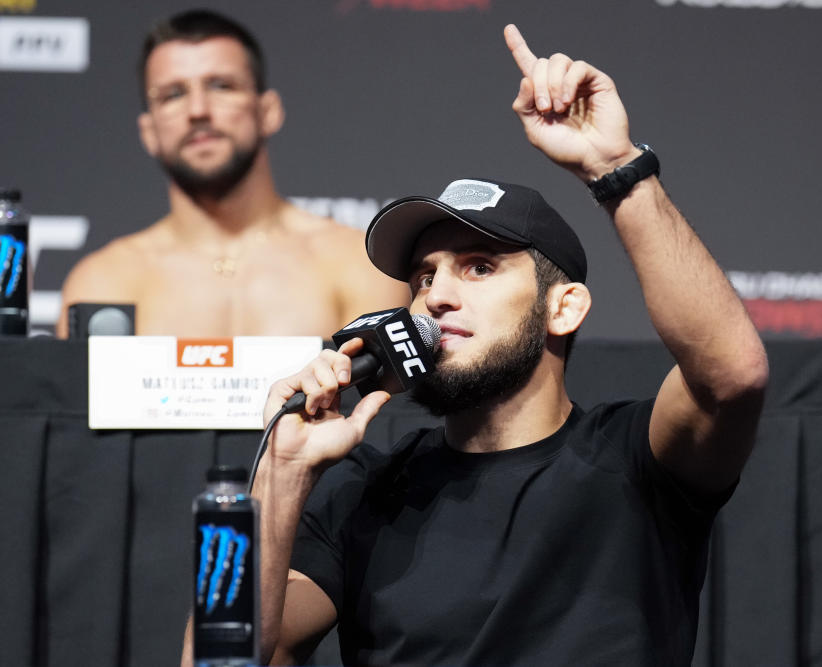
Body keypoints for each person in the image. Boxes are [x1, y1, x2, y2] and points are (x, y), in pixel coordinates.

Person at [210, 24, 768, 666]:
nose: (437, 295)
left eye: (479, 267)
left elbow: (732, 375)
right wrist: (281, 476)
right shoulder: (364, 486)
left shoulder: (637, 459)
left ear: (564, 308)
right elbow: (225, 658)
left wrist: (616, 170)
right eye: (424, 276)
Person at [56, 10, 408, 338]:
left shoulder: (353, 264)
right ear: (148, 132)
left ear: (268, 111)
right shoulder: (105, 281)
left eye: (221, 86)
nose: (198, 110)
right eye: (172, 95)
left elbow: (380, 405)